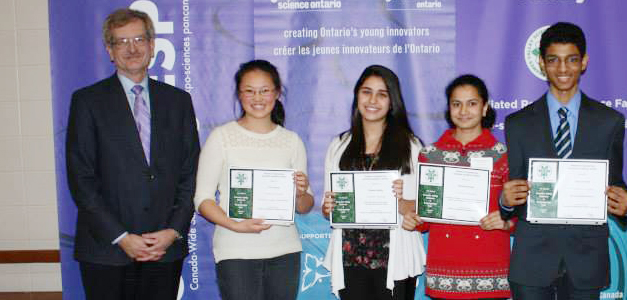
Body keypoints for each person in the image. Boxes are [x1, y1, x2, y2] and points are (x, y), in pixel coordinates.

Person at [65, 8, 200, 300]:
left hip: (163, 249)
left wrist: (173, 232)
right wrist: (121, 237)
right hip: (106, 250)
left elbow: (191, 174)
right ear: (109, 51)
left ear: (152, 45)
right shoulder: (87, 102)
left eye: (139, 38)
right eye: (121, 42)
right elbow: (81, 179)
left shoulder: (178, 102)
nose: (132, 48)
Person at [500, 22, 627, 299]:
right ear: (542, 63)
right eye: (554, 60)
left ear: (583, 62)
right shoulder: (518, 124)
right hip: (532, 258)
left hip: (586, 256)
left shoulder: (609, 122)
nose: (563, 69)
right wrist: (506, 201)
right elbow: (515, 187)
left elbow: (615, 182)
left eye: (572, 59)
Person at [193, 59, 314, 300]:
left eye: (264, 90)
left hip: (285, 251)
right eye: (249, 90)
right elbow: (202, 199)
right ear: (239, 94)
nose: (257, 98)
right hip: (236, 251)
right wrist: (235, 225)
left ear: (277, 93)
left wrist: (300, 193)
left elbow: (304, 206)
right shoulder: (221, 137)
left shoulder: (292, 141)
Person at [402, 74, 515, 299]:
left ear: (485, 108)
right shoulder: (430, 155)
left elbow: (522, 212)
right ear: (449, 109)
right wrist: (415, 219)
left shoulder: (504, 155)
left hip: (490, 273)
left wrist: (507, 221)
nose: (464, 111)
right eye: (457, 104)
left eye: (472, 103)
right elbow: (427, 216)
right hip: (444, 273)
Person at [321, 65, 425, 300]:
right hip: (351, 256)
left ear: (392, 101)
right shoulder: (338, 145)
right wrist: (329, 208)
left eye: (382, 94)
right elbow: (329, 209)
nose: (373, 100)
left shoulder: (411, 146)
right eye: (366, 91)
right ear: (357, 95)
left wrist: (401, 202)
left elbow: (423, 208)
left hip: (395, 256)